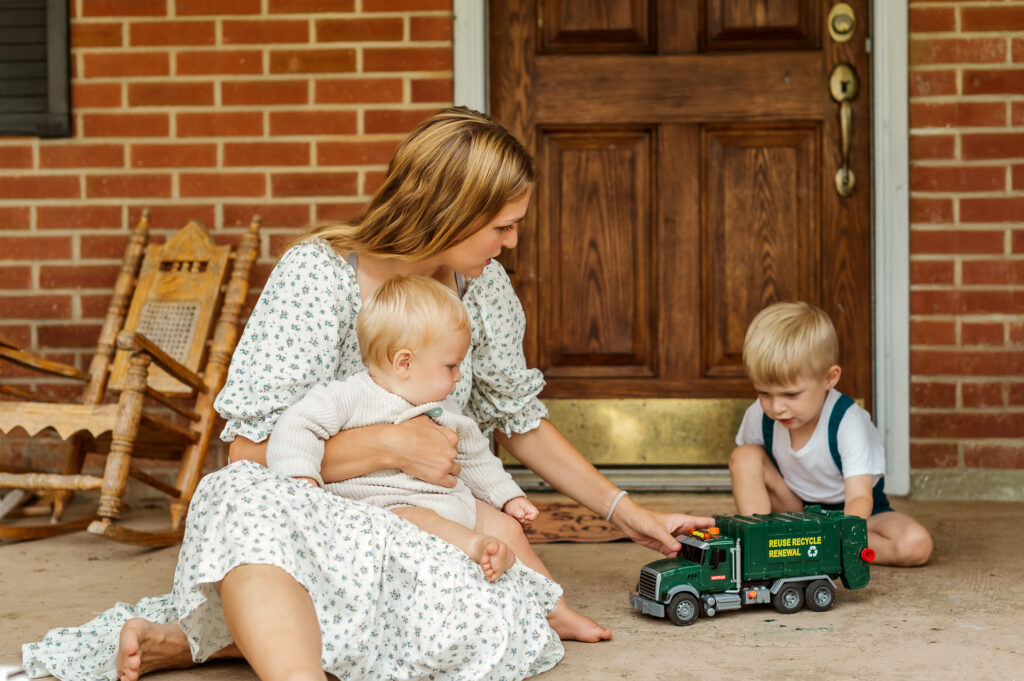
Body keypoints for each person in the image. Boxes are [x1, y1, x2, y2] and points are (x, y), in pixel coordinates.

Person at [23, 107, 714, 681]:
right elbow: (251, 456)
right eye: (501, 225)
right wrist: (388, 444)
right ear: (448, 210)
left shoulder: (484, 289)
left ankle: (200, 639)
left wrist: (627, 510)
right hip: (317, 516)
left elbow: (518, 419)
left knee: (494, 582)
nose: (512, 242)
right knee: (235, 497)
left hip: (416, 524)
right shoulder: (317, 278)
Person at [267, 274, 555, 589]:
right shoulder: (348, 397)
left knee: (508, 528)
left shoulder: (446, 411)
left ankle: (554, 605)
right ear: (404, 363)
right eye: (451, 366)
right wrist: (299, 478)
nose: (459, 376)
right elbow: (298, 424)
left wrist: (506, 498)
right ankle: (475, 547)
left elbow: (476, 459)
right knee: (419, 521)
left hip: (452, 506)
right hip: (386, 512)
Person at [728, 301, 933, 567]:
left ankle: (817, 547)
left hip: (855, 514)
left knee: (915, 545)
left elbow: (859, 497)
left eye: (791, 394)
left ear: (830, 378)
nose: (776, 407)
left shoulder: (848, 422)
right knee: (744, 456)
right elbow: (749, 471)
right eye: (764, 393)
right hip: (796, 510)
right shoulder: (760, 414)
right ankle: (760, 543)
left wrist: (839, 535)